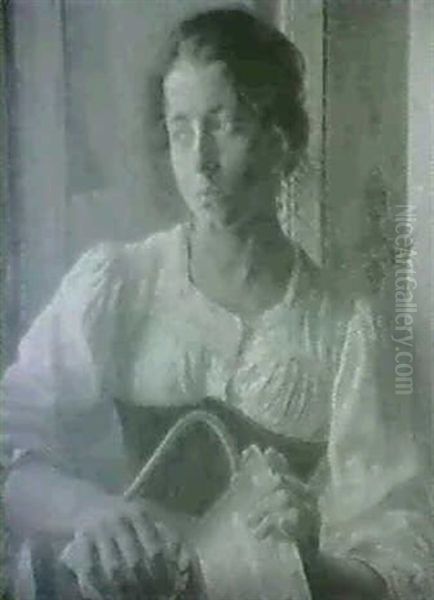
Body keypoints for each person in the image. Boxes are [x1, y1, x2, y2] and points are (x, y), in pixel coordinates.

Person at [3, 8, 432, 600]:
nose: (200, 160)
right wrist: (91, 513)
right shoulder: (119, 283)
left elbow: (400, 570)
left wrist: (304, 561)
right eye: (181, 129)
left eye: (224, 125)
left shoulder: (345, 329)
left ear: (281, 139)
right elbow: (10, 443)